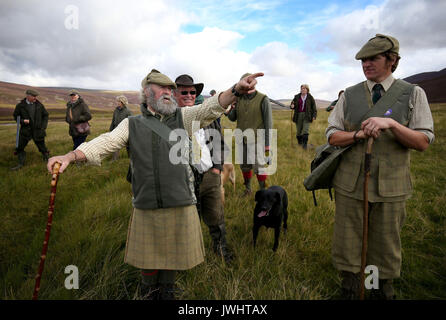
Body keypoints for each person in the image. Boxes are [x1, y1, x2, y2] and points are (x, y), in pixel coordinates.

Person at [47, 69, 263, 300]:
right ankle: (149, 288)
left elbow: (209, 108)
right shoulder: (132, 124)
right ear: (147, 93)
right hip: (146, 202)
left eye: (171, 89)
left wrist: (236, 90)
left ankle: (167, 289)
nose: (169, 92)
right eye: (163, 88)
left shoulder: (184, 118)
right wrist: (70, 156)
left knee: (171, 253)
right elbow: (106, 142)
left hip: (180, 200)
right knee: (149, 254)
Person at [325, 34, 434, 299]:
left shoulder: (412, 93)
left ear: (392, 60)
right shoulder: (349, 95)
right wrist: (357, 136)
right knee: (348, 239)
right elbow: (331, 135)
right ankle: (351, 289)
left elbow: (422, 141)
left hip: (391, 185)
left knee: (384, 243)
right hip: (350, 183)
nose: (366, 64)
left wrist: (393, 125)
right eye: (363, 59)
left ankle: (377, 289)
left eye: (373, 58)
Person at [174, 74, 233, 264]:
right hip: (183, 180)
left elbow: (219, 144)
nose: (189, 95)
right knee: (188, 219)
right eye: (184, 91)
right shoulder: (169, 119)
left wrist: (216, 168)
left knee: (215, 215)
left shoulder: (207, 115)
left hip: (210, 175)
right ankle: (189, 255)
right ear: (174, 94)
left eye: (193, 92)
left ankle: (221, 248)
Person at [227, 73, 273, 196]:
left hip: (257, 139)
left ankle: (263, 193)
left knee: (259, 167)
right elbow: (232, 118)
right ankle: (248, 189)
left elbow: (269, 124)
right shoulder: (238, 99)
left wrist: (267, 144)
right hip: (241, 139)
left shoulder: (263, 99)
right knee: (245, 166)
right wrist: (230, 109)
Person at [11, 89, 50, 170]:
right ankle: (20, 164)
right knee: (20, 147)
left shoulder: (39, 105)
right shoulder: (20, 106)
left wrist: (43, 126)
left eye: (36, 96)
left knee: (42, 147)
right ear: (28, 96)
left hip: (38, 130)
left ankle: (47, 160)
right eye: (34, 96)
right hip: (25, 131)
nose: (35, 98)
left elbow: (45, 115)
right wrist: (22, 121)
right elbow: (16, 116)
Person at [290, 84, 317, 150]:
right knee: (299, 131)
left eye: (305, 88)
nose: (303, 90)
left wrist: (314, 115)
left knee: (305, 130)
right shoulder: (297, 97)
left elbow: (314, 107)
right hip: (298, 115)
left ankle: (304, 146)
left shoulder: (310, 97)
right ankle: (300, 143)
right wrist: (292, 106)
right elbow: (292, 104)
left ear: (307, 90)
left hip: (307, 115)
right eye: (302, 88)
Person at [109, 95, 132, 160]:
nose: (117, 103)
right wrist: (111, 129)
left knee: (129, 145)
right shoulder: (116, 110)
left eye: (119, 101)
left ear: (122, 102)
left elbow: (131, 122)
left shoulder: (128, 111)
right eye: (117, 101)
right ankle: (114, 159)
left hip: (125, 131)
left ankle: (131, 158)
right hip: (116, 130)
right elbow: (113, 120)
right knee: (115, 144)